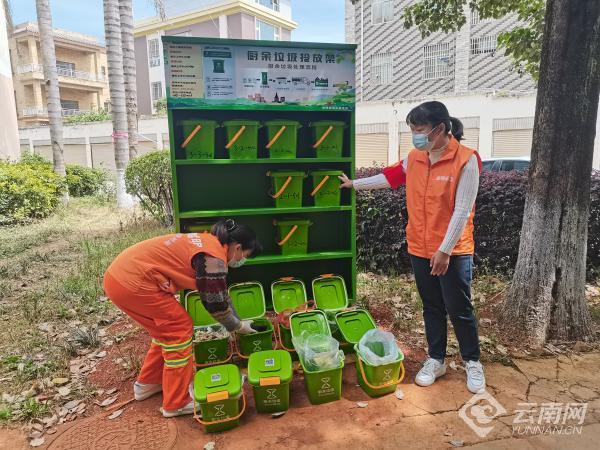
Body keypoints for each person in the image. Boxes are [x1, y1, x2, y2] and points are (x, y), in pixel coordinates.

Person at [340, 101, 486, 394]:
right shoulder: (415, 157)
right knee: (432, 307)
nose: (415, 136)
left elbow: (462, 210)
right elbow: (389, 178)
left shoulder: (467, 160)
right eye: (412, 130)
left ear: (440, 129)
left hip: (454, 251)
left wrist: (444, 251)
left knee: (459, 308)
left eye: (419, 130)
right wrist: (354, 184)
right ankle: (436, 359)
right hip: (419, 247)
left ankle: (472, 362)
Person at [103, 219, 262, 417]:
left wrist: (237, 323)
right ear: (237, 248)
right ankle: (176, 403)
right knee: (179, 329)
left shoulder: (208, 242)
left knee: (165, 332)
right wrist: (237, 326)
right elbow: (215, 304)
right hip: (133, 282)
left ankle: (149, 383)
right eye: (244, 256)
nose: (241, 261)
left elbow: (221, 294)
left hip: (120, 277)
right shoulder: (213, 259)